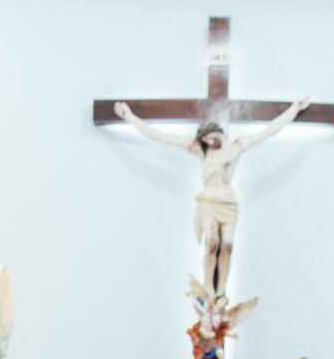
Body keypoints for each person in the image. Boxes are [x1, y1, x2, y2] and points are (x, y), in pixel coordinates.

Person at [114, 98, 309, 295]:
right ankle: (209, 285)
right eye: (204, 139)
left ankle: (221, 290)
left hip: (228, 204)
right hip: (207, 202)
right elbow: (159, 136)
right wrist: (129, 116)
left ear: (218, 132)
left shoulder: (236, 146)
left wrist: (293, 110)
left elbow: (269, 131)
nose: (208, 141)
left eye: (209, 136)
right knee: (213, 241)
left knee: (228, 245)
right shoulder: (200, 151)